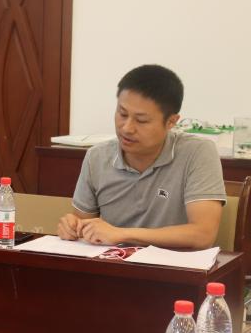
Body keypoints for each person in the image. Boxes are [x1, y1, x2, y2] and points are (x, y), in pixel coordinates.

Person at [57, 64, 224, 249]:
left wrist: (122, 234)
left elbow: (202, 235)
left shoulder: (197, 152)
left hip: (172, 266)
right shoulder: (97, 157)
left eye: (141, 120)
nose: (127, 128)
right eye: (122, 114)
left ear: (171, 121)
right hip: (113, 263)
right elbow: (83, 227)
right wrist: (72, 227)